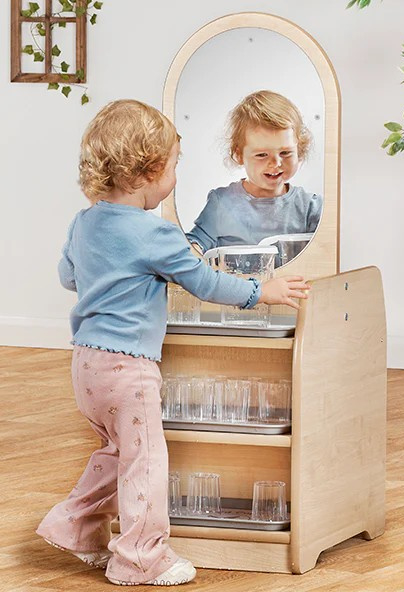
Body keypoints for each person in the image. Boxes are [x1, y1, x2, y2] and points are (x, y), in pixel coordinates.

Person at [35, 99, 309, 586]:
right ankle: (140, 558)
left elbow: (68, 277)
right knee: (145, 462)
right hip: (129, 369)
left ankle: (74, 524)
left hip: (85, 365)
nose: (175, 178)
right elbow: (204, 282)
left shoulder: (84, 222)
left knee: (116, 452)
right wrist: (259, 291)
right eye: (174, 167)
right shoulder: (156, 234)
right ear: (150, 171)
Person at [186, 90, 323, 255]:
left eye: (285, 152)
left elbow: (327, 250)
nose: (276, 163)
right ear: (239, 154)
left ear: (299, 150)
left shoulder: (310, 207)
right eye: (262, 155)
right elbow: (195, 244)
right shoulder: (222, 203)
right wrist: (194, 249)